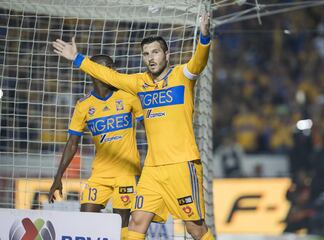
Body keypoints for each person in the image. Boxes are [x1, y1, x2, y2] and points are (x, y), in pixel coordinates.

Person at [52, 12, 214, 240]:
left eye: (156, 52)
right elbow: (107, 75)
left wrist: (205, 36)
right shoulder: (140, 83)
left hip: (181, 164)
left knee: (194, 228)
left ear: (167, 54)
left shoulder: (182, 76)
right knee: (137, 221)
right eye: (146, 54)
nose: (151, 58)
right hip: (152, 169)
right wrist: (77, 58)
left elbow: (199, 60)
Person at [48, 54, 144, 239]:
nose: (113, 71)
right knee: (86, 218)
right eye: (108, 67)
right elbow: (72, 143)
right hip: (100, 174)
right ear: (94, 71)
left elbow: (150, 127)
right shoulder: (84, 105)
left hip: (126, 173)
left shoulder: (127, 96)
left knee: (122, 223)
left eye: (113, 67)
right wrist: (58, 177)